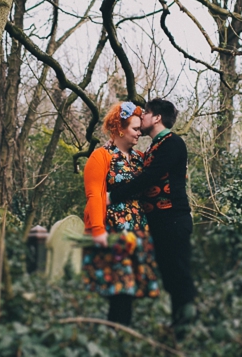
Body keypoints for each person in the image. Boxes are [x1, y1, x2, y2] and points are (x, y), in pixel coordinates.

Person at [107, 98, 197, 337]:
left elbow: (147, 178)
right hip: (158, 223)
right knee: (168, 274)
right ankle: (174, 330)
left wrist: (112, 197)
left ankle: (185, 331)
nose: (142, 117)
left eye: (145, 113)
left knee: (178, 273)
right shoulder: (152, 148)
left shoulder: (172, 143)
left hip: (173, 220)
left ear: (157, 117)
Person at [81, 101, 160, 326]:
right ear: (119, 128)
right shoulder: (101, 156)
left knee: (129, 290)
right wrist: (97, 231)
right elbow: (95, 196)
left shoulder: (140, 158)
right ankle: (114, 336)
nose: (139, 134)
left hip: (137, 230)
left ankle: (119, 337)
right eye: (135, 129)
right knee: (119, 290)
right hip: (113, 229)